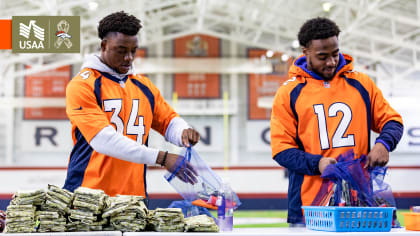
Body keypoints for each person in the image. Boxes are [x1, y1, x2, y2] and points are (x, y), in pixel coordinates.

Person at [270, 17, 404, 225]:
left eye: (335, 54)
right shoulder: (288, 93)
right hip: (309, 208)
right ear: (305, 52)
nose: (331, 62)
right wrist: (318, 163)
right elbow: (281, 150)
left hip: (360, 203)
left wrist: (383, 144)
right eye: (322, 56)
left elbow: (392, 120)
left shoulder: (361, 83)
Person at [63, 11, 200, 199]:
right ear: (104, 46)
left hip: (134, 199)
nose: (129, 58)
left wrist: (184, 131)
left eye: (133, 50)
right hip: (87, 197)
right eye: (121, 51)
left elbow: (168, 122)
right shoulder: (82, 85)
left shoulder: (144, 86)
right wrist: (162, 158)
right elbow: (103, 140)